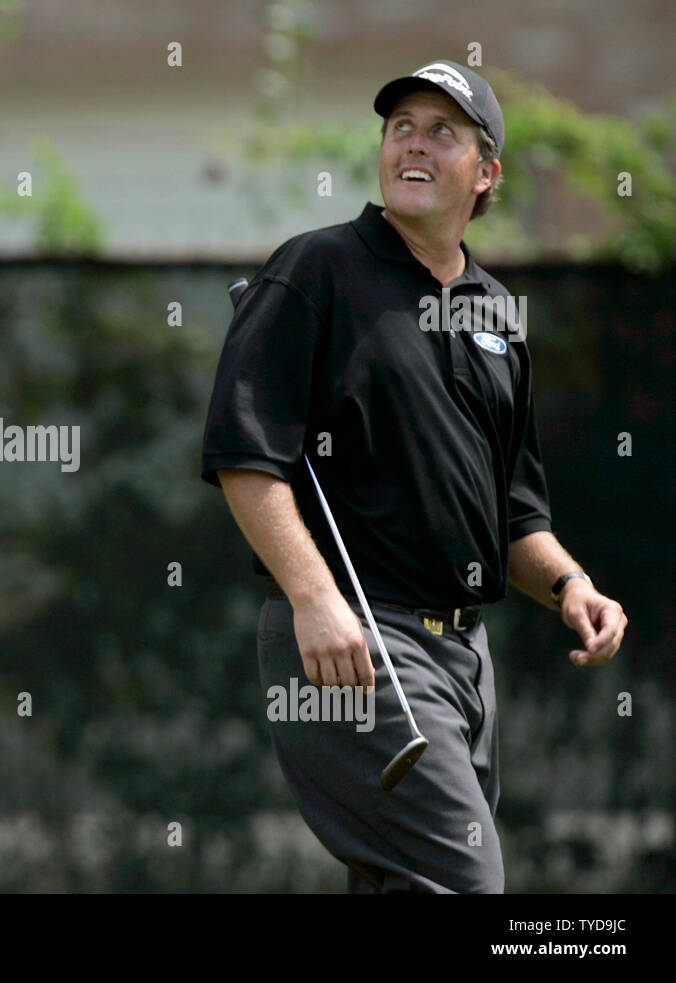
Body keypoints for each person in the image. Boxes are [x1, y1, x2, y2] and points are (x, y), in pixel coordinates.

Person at [201, 60, 628, 893]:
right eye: (401, 127)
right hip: (357, 643)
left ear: (487, 172)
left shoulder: (498, 315)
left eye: (443, 131)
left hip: (469, 659)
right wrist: (315, 599)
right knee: (463, 882)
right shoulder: (317, 270)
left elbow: (514, 514)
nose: (415, 144)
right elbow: (246, 458)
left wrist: (571, 584)